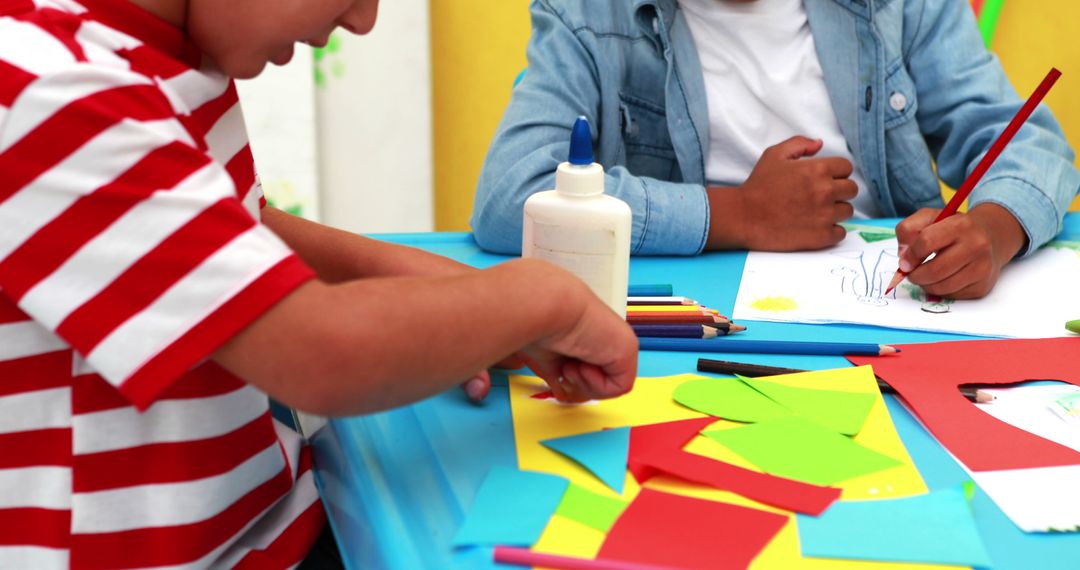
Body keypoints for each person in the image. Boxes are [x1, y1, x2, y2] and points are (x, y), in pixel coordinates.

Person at [0, 0, 638, 567]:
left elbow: (247, 235)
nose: (362, 20)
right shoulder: (53, 89)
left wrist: (459, 304)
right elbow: (320, 354)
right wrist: (540, 300)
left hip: (272, 524)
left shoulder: (170, 54)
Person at [472, 0, 1080, 299]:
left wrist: (994, 233)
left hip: (889, 316)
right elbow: (509, 198)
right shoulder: (587, 13)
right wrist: (741, 215)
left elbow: (1028, 144)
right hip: (684, 323)